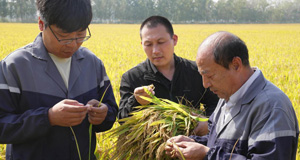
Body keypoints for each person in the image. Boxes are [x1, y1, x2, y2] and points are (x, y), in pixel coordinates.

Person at [0, 0, 118, 159]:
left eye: (80, 36)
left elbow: (111, 110)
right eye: (64, 37)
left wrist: (103, 114)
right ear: (41, 24)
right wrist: (48, 117)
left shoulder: (93, 64)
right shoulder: (14, 66)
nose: (73, 45)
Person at [164, 31, 299, 160]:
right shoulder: (227, 96)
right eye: (202, 76)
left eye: (210, 76)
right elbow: (218, 144)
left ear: (236, 65)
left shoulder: (271, 107)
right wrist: (191, 143)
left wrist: (206, 155)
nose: (205, 84)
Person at [118, 16, 219, 135]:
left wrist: (206, 123)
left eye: (161, 42)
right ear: (142, 44)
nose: (155, 50)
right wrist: (136, 101)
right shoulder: (132, 78)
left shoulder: (196, 72)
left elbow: (216, 104)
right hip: (152, 150)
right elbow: (122, 120)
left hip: (193, 146)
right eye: (148, 44)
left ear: (174, 39)